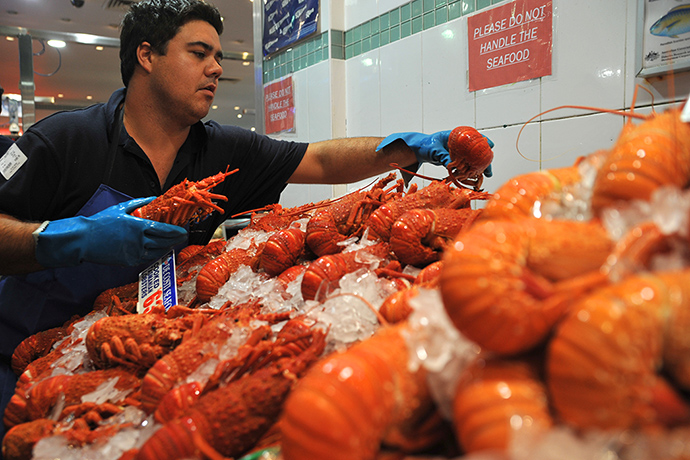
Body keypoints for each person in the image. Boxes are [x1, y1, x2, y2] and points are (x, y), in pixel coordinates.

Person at [0, 0, 493, 444]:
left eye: (219, 56)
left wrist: (409, 147)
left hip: (132, 352)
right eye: (199, 53)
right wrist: (74, 237)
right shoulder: (61, 139)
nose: (217, 68)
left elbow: (319, 161)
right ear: (146, 56)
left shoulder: (220, 147)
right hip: (24, 356)